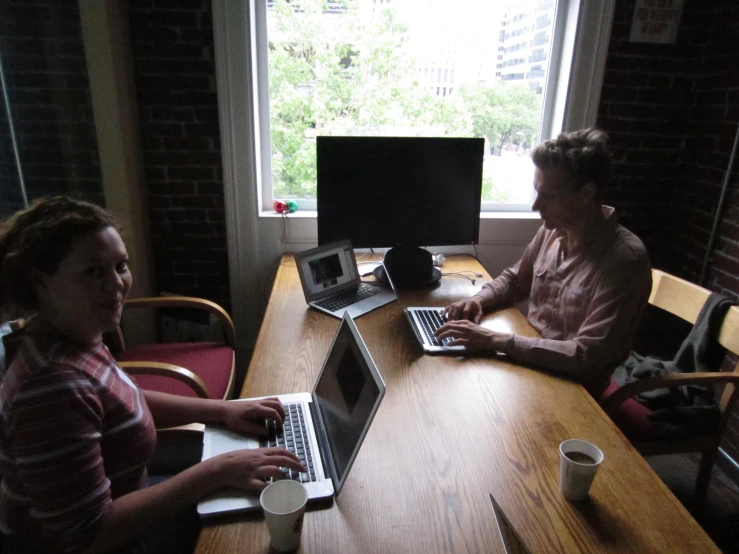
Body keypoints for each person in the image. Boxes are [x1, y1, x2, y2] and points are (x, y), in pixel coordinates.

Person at [0, 196, 304, 554]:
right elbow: (88, 537)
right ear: (40, 282)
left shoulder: (73, 336)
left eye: (120, 265)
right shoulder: (52, 388)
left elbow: (120, 399)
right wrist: (217, 471)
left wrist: (222, 411)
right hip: (113, 538)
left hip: (130, 492)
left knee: (251, 488)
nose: (116, 285)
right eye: (92, 271)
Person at [436, 128, 652, 398]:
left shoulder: (625, 261)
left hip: (575, 389)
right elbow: (516, 280)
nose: (536, 206)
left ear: (586, 194)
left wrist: (495, 340)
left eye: (548, 196)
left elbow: (586, 357)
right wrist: (479, 300)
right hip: (526, 361)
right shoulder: (553, 230)